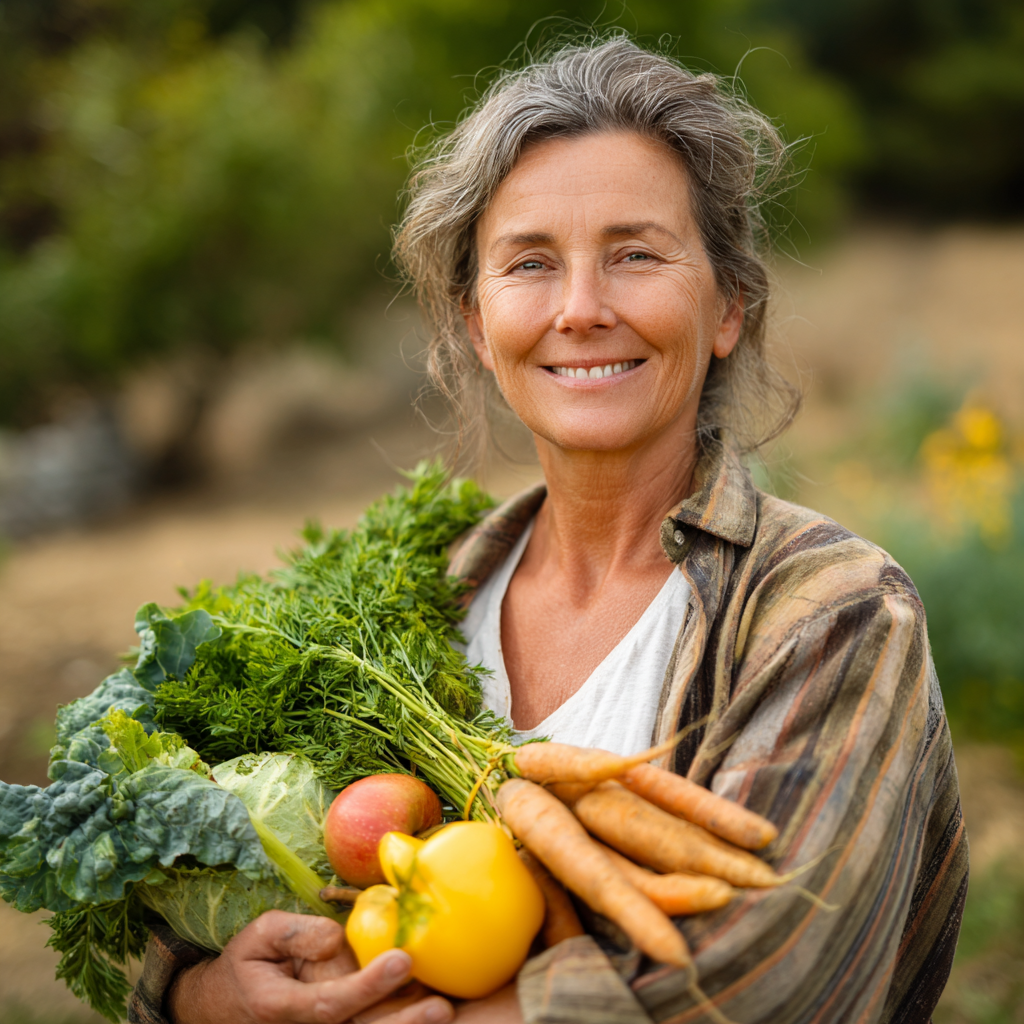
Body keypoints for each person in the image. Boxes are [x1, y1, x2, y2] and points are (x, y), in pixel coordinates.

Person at [132, 37, 967, 1024]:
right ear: (478, 324)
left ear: (729, 303)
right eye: (530, 262)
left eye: (635, 254)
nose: (580, 309)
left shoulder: (828, 612)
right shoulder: (415, 600)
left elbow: (767, 982)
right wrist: (200, 992)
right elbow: (204, 902)